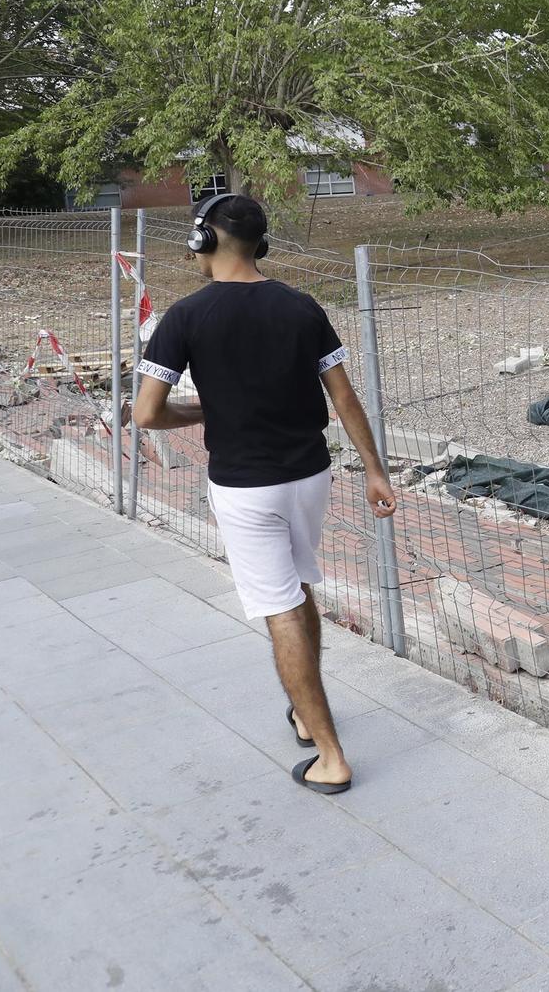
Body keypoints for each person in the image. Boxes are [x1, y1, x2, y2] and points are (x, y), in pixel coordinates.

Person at [133, 193, 396, 794]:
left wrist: (202, 410)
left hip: (245, 489)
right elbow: (346, 399)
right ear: (260, 243)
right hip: (310, 476)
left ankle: (331, 756)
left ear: (203, 242)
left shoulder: (184, 317)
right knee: (299, 587)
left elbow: (146, 414)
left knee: (277, 608)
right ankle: (306, 715)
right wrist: (376, 471)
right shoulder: (301, 307)